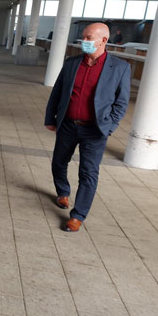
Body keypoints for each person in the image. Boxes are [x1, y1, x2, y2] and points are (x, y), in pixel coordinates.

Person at [45, 22, 130, 232]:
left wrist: (108, 127)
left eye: (89, 38)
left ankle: (78, 215)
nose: (84, 41)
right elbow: (58, 92)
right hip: (68, 124)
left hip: (95, 130)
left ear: (103, 40)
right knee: (58, 162)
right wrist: (50, 117)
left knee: (88, 172)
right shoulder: (72, 63)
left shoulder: (120, 68)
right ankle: (63, 192)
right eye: (83, 37)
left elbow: (121, 103)